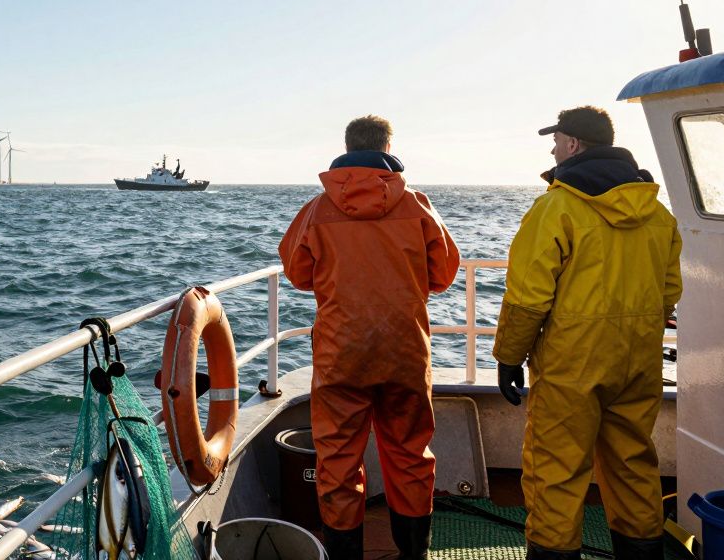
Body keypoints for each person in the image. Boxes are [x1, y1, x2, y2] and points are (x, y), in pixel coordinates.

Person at [493, 106, 682, 560]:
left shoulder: (556, 207)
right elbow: (668, 291)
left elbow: (528, 298)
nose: (553, 148)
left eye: (556, 140)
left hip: (571, 366)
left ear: (573, 144)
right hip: (638, 362)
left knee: (556, 472)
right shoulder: (657, 213)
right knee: (633, 465)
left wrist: (508, 357)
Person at [279, 115, 460, 560]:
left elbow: (298, 273)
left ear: (346, 147)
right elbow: (444, 274)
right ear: (387, 146)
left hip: (342, 353)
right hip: (404, 350)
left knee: (338, 461)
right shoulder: (417, 206)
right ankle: (413, 554)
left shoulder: (318, 210)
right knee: (410, 455)